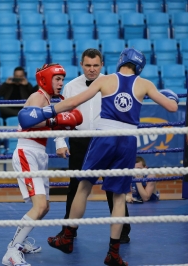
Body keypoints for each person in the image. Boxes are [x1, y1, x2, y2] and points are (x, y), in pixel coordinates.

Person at [18, 48, 179, 266]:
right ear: (139, 66)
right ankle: (113, 253)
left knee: (83, 186)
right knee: (119, 196)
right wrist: (172, 97)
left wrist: (47, 112)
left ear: (118, 61)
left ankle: (67, 237)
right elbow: (171, 106)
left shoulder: (107, 81)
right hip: (127, 140)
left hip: (103, 138)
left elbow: (72, 103)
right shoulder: (146, 84)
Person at [2, 63, 83, 266]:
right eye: (57, 79)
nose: (61, 83)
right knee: (38, 207)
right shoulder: (38, 97)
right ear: (46, 79)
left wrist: (59, 132)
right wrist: (58, 120)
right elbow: (28, 121)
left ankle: (19, 243)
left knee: (44, 207)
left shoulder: (48, 99)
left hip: (38, 153)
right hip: (27, 152)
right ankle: (11, 252)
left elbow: (48, 121)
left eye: (62, 79)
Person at [53, 48, 131, 243]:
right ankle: (68, 231)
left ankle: (122, 231)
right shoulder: (71, 86)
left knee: (114, 186)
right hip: (80, 140)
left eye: (95, 65)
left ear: (102, 65)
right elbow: (63, 117)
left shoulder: (113, 84)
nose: (92, 69)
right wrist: (60, 141)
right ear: (81, 65)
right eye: (88, 65)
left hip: (107, 138)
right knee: (75, 186)